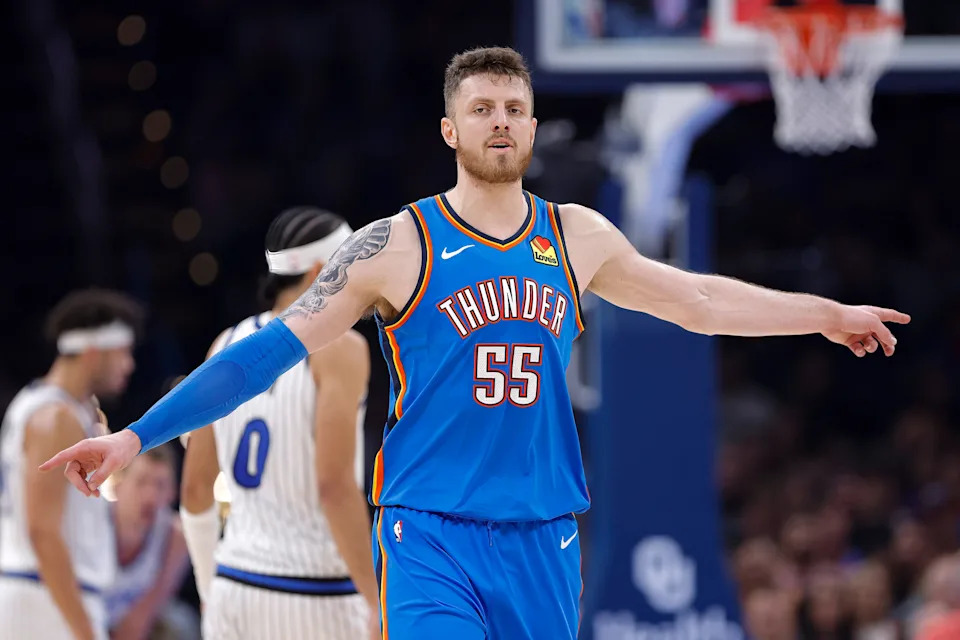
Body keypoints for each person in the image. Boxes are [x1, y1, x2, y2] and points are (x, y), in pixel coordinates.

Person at [41, 46, 911, 639]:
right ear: (451, 131)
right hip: (429, 532)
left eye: (515, 109)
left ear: (532, 130)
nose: (501, 120)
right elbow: (264, 354)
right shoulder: (395, 245)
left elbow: (699, 302)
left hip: (542, 533)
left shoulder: (577, 236)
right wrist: (133, 436)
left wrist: (823, 313)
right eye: (482, 108)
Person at [179, 207, 379, 639]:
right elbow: (334, 485)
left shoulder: (224, 344)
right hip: (315, 592)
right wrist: (374, 598)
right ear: (319, 272)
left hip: (233, 583)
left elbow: (195, 490)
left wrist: (208, 586)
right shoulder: (341, 348)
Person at [2, 288, 142, 640]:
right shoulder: (56, 416)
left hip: (41, 596)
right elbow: (42, 532)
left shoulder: (51, 407)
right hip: (46, 601)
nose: (130, 365)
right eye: (123, 352)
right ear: (94, 352)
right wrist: (83, 630)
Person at [104, 445, 193, 640]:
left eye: (160, 485)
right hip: (82, 617)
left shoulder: (175, 537)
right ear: (118, 486)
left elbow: (140, 619)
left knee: (181, 622)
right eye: (141, 482)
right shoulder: (93, 522)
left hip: (127, 626)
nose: (151, 496)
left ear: (172, 493)